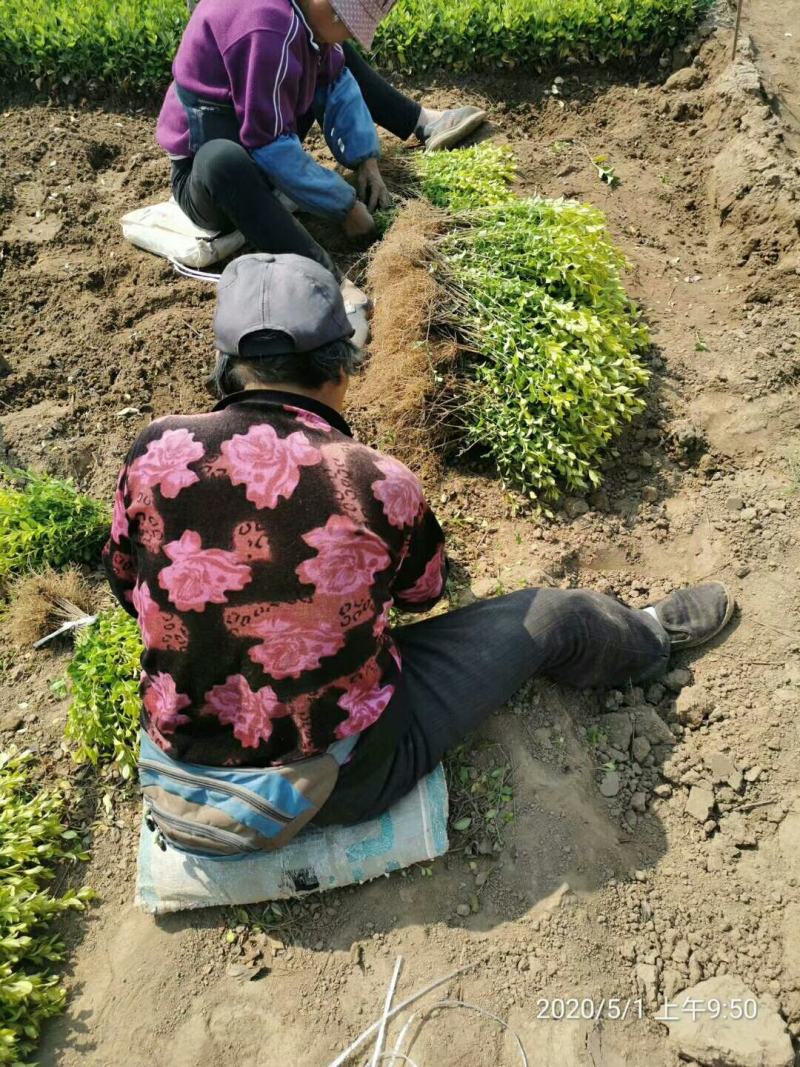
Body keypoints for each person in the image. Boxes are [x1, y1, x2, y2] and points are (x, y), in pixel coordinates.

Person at [103, 253, 736, 832]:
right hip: (338, 783)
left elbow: (126, 586)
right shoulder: (372, 479)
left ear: (223, 369)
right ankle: (651, 636)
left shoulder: (156, 452)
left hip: (182, 766)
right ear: (341, 368)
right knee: (552, 615)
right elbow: (423, 594)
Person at [157, 0, 487, 277]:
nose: (349, 37)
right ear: (332, 12)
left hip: (254, 137)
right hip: (211, 185)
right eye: (349, 27)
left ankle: (281, 190)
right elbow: (267, 142)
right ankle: (325, 277)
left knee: (329, 60)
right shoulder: (266, 29)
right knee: (224, 162)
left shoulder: (304, 19)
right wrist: (344, 206)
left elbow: (336, 82)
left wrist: (365, 160)